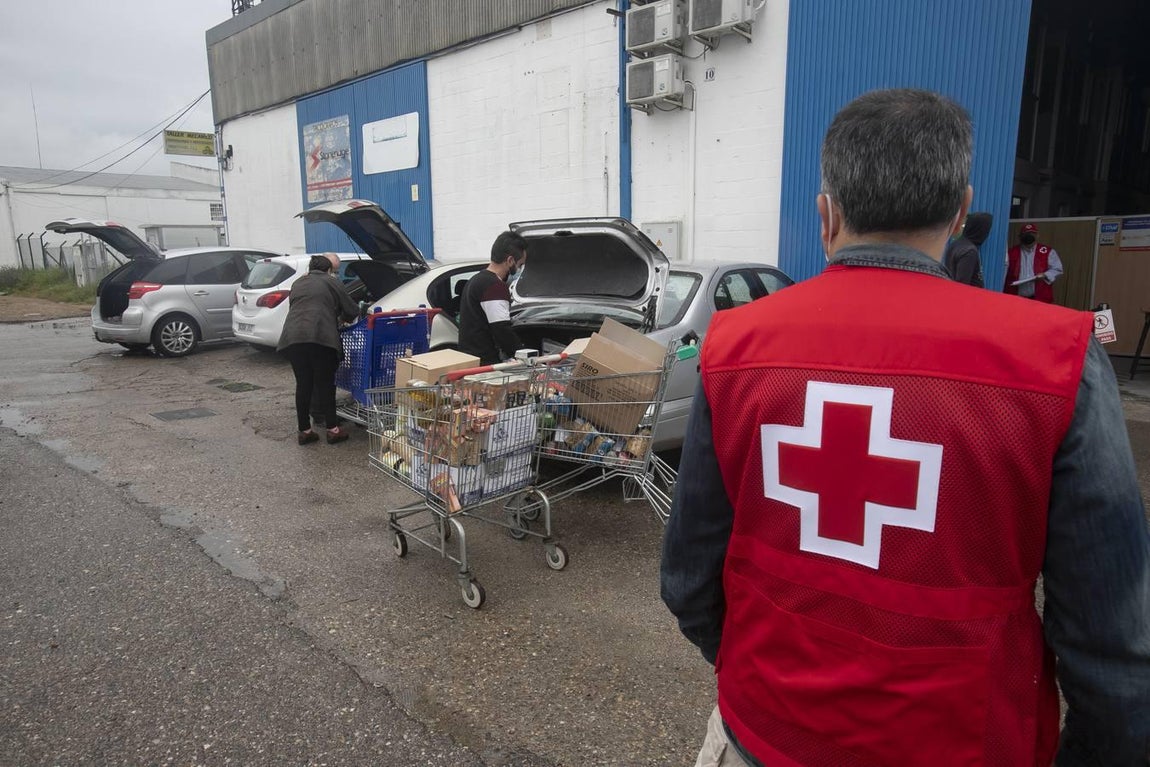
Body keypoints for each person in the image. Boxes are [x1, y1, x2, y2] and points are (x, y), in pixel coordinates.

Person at [661, 88, 1150, 767]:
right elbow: (1114, 647)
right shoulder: (1057, 362)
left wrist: (760, 676)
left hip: (767, 734)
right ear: (958, 212)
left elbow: (688, 578)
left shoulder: (734, 345)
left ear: (826, 215)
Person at [277, 253, 359, 445]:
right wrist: (342, 318)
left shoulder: (298, 283)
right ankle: (333, 430)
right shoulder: (331, 282)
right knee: (325, 384)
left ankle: (305, 431)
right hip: (321, 338)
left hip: (293, 338)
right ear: (329, 270)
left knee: (303, 384)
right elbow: (352, 310)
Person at [458, 231, 528, 365]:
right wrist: (526, 357)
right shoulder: (495, 287)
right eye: (520, 265)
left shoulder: (476, 279)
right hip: (485, 363)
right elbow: (501, 329)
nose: (519, 270)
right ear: (510, 260)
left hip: (470, 360)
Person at [1004, 222, 1063, 302]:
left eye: (1032, 233)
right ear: (1020, 237)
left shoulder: (1047, 252)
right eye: (1026, 234)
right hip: (1016, 299)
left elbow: (1057, 269)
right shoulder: (1010, 253)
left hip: (1040, 298)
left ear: (1037, 235)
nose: (1029, 236)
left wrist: (1045, 275)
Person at [942, 211, 991, 287]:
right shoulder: (969, 251)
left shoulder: (956, 244)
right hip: (969, 296)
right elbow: (962, 284)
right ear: (979, 229)